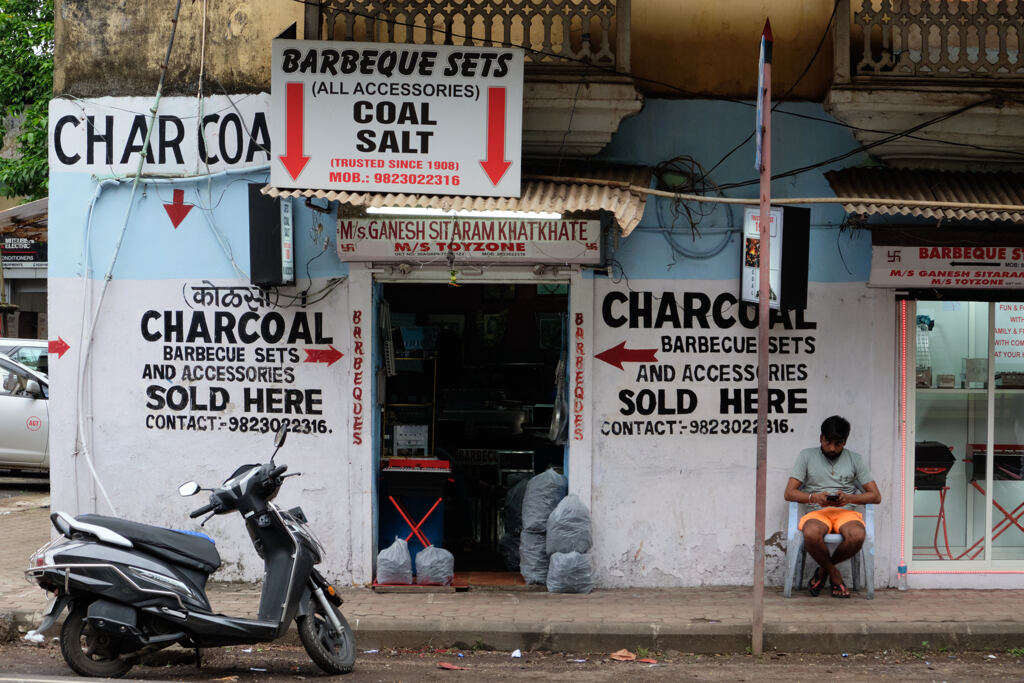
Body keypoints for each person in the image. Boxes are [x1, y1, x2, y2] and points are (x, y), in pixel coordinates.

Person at [784, 415, 882, 598]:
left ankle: (823, 572)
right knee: (811, 533)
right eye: (828, 442)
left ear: (845, 441)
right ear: (821, 438)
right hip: (817, 511)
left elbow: (875, 496)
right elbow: (789, 493)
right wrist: (814, 497)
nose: (832, 448)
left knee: (857, 535)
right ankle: (834, 574)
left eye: (839, 444)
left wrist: (849, 498)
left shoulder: (855, 459)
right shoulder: (806, 456)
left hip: (846, 512)